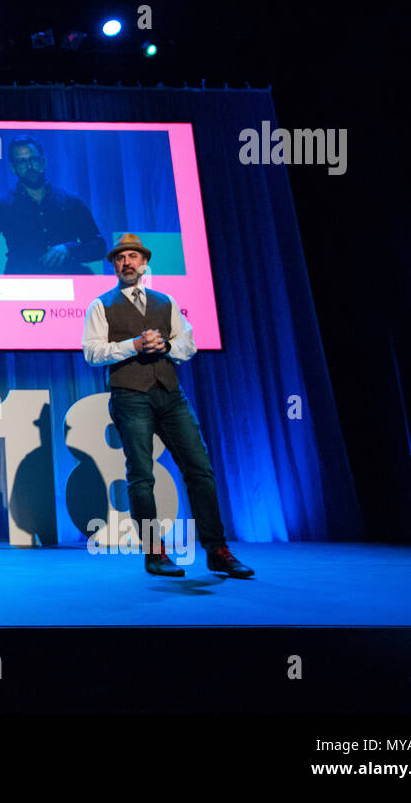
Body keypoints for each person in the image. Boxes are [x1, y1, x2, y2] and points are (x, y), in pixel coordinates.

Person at [81, 233, 254, 579]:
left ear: (144, 264)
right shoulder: (101, 305)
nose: (126, 262)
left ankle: (217, 549)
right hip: (130, 396)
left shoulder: (166, 302)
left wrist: (165, 347)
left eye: (133, 256)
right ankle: (154, 552)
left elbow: (187, 345)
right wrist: (133, 344)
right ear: (114, 266)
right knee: (141, 476)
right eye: (120, 258)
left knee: (199, 468)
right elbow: (92, 352)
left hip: (170, 395)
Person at [0, 137, 106, 274]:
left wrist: (69, 249)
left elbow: (99, 247)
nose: (29, 166)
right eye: (22, 162)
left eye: (33, 159)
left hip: (69, 284)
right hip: (21, 286)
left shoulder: (71, 201)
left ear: (43, 162)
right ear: (13, 168)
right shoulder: (1, 205)